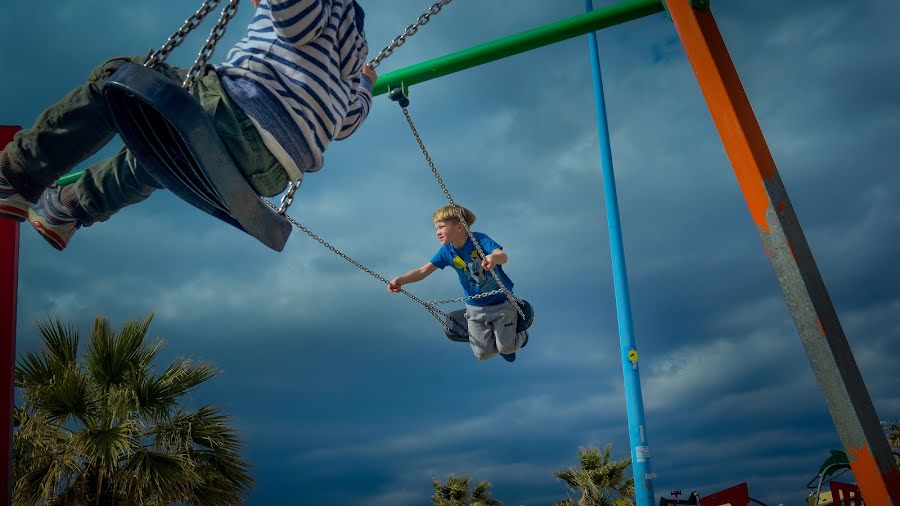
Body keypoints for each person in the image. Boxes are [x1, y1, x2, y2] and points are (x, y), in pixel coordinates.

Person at [0, 0, 375, 250]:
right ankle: (70, 208)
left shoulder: (324, 9)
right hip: (273, 174)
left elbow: (295, 17)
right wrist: (366, 83)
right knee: (161, 155)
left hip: (237, 112)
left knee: (117, 77)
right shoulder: (346, 70)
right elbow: (348, 123)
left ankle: (16, 174)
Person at [388, 205, 528, 362]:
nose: (437, 232)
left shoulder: (479, 240)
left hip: (501, 300)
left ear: (460, 226)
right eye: (436, 228)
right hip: (476, 306)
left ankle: (520, 333)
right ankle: (500, 338)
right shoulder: (446, 252)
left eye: (442, 227)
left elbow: (502, 256)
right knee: (482, 354)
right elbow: (422, 271)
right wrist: (400, 280)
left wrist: (493, 258)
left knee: (507, 347)